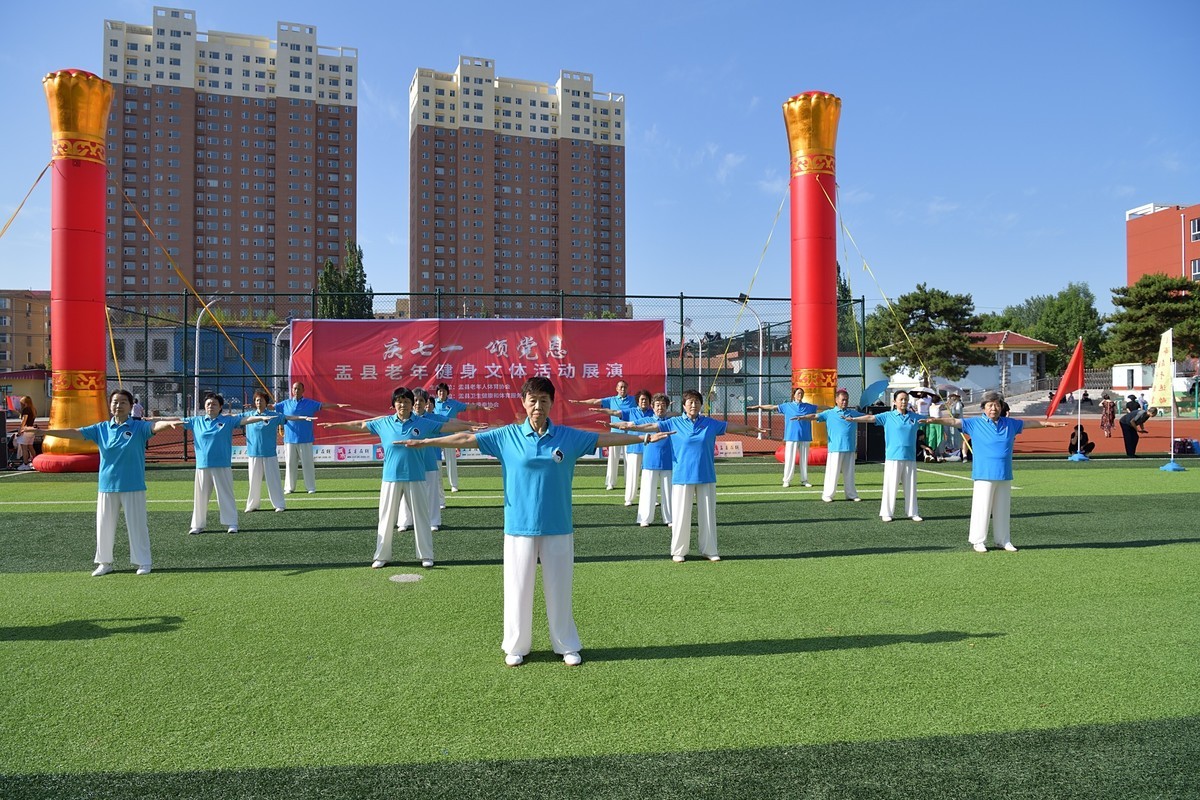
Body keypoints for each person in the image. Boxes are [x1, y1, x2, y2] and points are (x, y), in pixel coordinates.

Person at [405, 376, 672, 667]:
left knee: (559, 587)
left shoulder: (567, 437)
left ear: (551, 404)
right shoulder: (506, 436)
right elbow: (465, 439)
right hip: (519, 526)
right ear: (524, 403)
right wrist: (426, 441)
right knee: (518, 587)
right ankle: (516, 644)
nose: (538, 406)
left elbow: (603, 439)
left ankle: (566, 644)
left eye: (544, 400)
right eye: (533, 400)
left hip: (558, 525)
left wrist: (643, 438)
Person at [618, 389, 769, 563]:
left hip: (706, 475)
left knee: (708, 515)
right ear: (683, 405)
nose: (693, 405)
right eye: (690, 402)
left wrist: (750, 428)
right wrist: (631, 426)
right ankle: (679, 551)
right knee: (681, 516)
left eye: (696, 402)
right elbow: (652, 426)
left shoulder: (709, 423)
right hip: (682, 476)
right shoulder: (674, 422)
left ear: (700, 405)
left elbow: (730, 427)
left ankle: (709, 549)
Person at [41, 389, 179, 575]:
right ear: (110, 405)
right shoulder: (101, 428)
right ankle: (105, 563)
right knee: (104, 526)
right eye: (115, 402)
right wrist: (43, 431)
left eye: (123, 402)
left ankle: (143, 562)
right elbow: (75, 432)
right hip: (107, 485)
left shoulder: (138, 428)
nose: (118, 405)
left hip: (133, 485)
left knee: (137, 525)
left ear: (131, 406)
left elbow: (154, 426)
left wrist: (167, 423)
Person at [321, 387, 447, 569]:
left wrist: (470, 427)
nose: (402, 404)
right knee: (386, 518)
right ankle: (381, 555)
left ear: (412, 404)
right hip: (390, 478)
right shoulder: (384, 423)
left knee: (421, 517)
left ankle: (426, 555)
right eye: (399, 401)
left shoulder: (422, 423)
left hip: (416, 476)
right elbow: (360, 425)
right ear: (393, 404)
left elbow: (446, 425)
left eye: (406, 401)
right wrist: (336, 425)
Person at [934, 391, 1065, 552]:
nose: (993, 408)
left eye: (996, 405)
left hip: (1004, 473)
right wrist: (936, 420)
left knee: (1002, 508)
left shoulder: (1009, 423)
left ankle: (1003, 540)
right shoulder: (974, 423)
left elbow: (1028, 424)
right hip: (984, 474)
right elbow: (954, 421)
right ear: (983, 408)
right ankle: (978, 540)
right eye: (990, 405)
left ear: (1001, 407)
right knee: (982, 508)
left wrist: (1047, 424)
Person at [398, 389, 480, 533]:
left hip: (430, 458)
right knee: (407, 491)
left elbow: (452, 422)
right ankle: (405, 520)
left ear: (427, 403)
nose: (418, 404)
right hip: (411, 461)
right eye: (415, 401)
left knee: (432, 491)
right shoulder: (405, 420)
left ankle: (433, 521)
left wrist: (469, 425)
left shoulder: (433, 418)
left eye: (421, 401)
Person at [844, 390, 933, 522]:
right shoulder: (888, 416)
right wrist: (854, 419)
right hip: (893, 457)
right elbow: (870, 418)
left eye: (906, 399)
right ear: (894, 401)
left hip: (910, 457)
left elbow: (932, 420)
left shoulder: (914, 417)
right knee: (891, 485)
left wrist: (949, 419)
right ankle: (887, 512)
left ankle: (913, 512)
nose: (904, 402)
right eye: (901, 399)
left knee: (911, 486)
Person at [183, 393, 255, 534]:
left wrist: (262, 417)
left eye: (214, 404)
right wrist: (156, 419)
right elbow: (175, 421)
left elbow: (246, 419)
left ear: (220, 407)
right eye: (208, 404)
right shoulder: (196, 421)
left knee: (225, 495)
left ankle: (232, 523)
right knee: (200, 497)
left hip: (222, 464)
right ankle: (197, 525)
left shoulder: (227, 421)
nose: (211, 406)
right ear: (204, 406)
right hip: (203, 465)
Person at [241, 389, 314, 513]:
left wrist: (303, 417)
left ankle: (279, 504)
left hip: (269, 453)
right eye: (257, 400)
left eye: (262, 400)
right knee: (253, 481)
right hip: (253, 453)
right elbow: (232, 418)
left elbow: (289, 417)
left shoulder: (274, 416)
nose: (259, 403)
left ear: (266, 402)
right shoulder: (248, 415)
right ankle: (252, 505)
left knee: (273, 480)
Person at [276, 382, 347, 495]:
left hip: (306, 439)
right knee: (290, 464)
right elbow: (271, 407)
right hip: (289, 440)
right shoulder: (285, 404)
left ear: (303, 390)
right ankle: (289, 487)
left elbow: (323, 405)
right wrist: (256, 406)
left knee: (308, 464)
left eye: (299, 389)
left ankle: (310, 487)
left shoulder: (310, 403)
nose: (296, 390)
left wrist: (337, 405)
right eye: (294, 388)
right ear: (292, 390)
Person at [794, 388, 864, 502]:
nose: (844, 402)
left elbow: (867, 417)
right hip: (835, 449)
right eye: (842, 400)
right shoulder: (829, 413)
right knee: (833, 473)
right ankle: (827, 494)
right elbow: (815, 416)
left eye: (846, 400)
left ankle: (851, 494)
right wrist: (802, 417)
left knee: (849, 473)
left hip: (850, 448)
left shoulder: (853, 413)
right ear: (836, 400)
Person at [570, 379, 637, 491]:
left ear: (627, 388)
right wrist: (581, 403)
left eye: (625, 387)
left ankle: (628, 483)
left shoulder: (633, 400)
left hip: (629, 434)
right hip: (615, 434)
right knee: (613, 459)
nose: (622, 389)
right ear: (616, 389)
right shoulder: (611, 400)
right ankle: (611, 482)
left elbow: (646, 405)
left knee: (628, 460)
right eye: (620, 387)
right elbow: (595, 401)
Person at [597, 389, 657, 506]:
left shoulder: (653, 413)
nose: (644, 402)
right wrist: (603, 411)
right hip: (634, 447)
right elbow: (616, 413)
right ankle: (629, 498)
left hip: (650, 448)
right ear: (638, 401)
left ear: (650, 401)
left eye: (646, 399)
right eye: (642, 399)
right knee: (632, 474)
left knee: (650, 474)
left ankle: (652, 498)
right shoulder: (631, 411)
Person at [748, 387, 818, 488]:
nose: (800, 395)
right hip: (791, 437)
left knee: (804, 460)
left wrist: (833, 406)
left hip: (805, 436)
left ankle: (804, 480)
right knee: (789, 459)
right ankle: (787, 480)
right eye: (798, 393)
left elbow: (821, 407)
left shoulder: (808, 407)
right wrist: (759, 406)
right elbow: (772, 407)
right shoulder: (787, 406)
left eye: (801, 393)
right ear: (793, 395)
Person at [431, 383, 491, 494]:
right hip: (435, 437)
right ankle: (437, 486)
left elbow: (468, 407)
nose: (441, 393)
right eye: (439, 391)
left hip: (450, 437)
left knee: (451, 462)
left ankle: (454, 485)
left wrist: (482, 408)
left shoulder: (453, 404)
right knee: (436, 463)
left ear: (447, 393)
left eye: (443, 391)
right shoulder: (432, 403)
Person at [634, 393, 675, 528]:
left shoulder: (672, 422)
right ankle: (644, 518)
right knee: (647, 491)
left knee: (669, 491)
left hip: (668, 461)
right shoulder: (647, 421)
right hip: (650, 461)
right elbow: (630, 425)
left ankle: (670, 518)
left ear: (667, 407)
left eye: (663, 405)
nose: (660, 408)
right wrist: (613, 425)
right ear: (652, 406)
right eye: (657, 405)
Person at [15, 396, 37, 470]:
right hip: (32, 429)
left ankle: (25, 464)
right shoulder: (33, 409)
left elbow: (24, 420)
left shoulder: (26, 409)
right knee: (30, 446)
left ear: (25, 402)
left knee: (24, 447)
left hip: (26, 429)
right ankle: (35, 462)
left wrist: (20, 430)